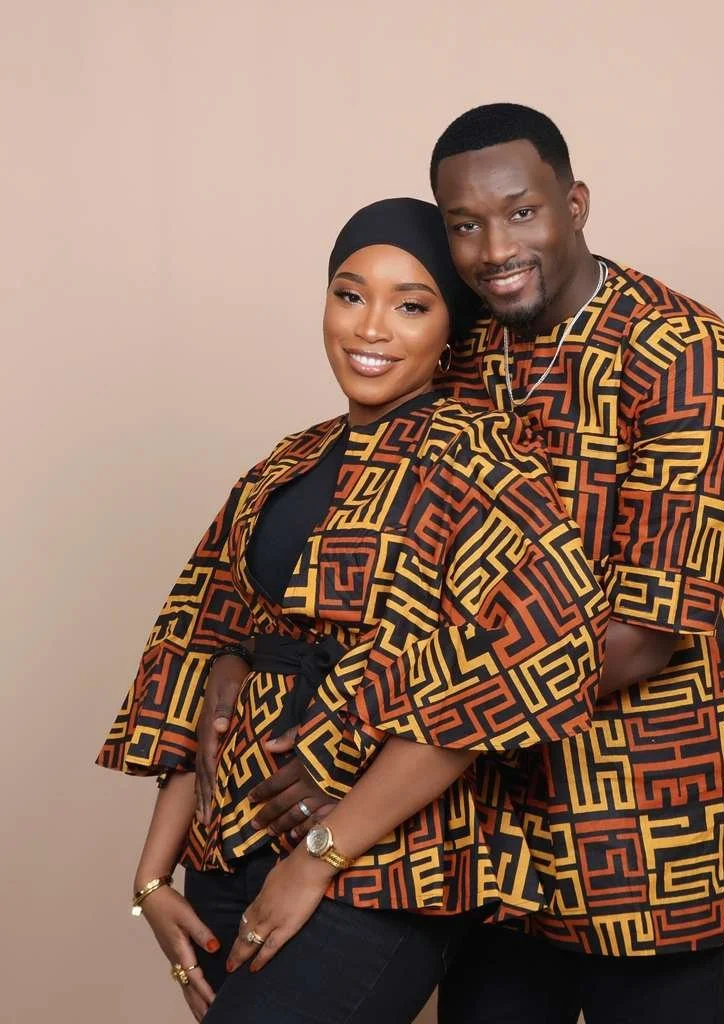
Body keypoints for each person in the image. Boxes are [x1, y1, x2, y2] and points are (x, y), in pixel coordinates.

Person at [209, 105, 724, 1023]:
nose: (493, 248)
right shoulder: (460, 340)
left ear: (576, 203)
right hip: (488, 835)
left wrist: (359, 741)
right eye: (465, 225)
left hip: (649, 834)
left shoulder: (686, 358)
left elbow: (641, 636)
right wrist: (241, 662)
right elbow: (370, 557)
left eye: (521, 213)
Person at [97, 197, 609, 1023]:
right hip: (226, 849)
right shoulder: (286, 462)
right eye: (350, 294)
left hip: (378, 863)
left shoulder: (482, 467)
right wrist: (152, 874)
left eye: (411, 304)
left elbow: (497, 683)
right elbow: (202, 645)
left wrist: (316, 860)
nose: (372, 327)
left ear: (452, 329)